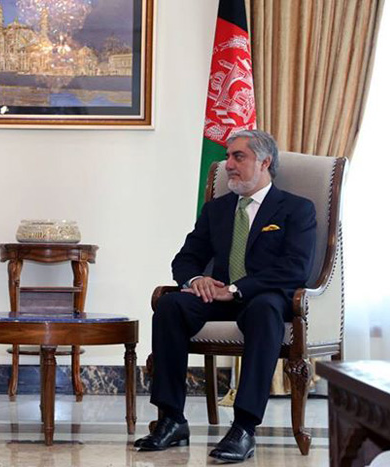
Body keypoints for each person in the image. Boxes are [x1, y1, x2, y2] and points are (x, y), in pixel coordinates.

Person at [135, 130, 316, 462]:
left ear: (265, 162)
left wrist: (236, 289)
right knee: (170, 305)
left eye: (238, 156)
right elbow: (185, 258)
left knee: (264, 310)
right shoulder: (217, 210)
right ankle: (171, 419)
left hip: (264, 297)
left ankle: (244, 427)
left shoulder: (296, 209)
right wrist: (197, 279)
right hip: (217, 296)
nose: (228, 164)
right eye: (228, 156)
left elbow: (295, 268)